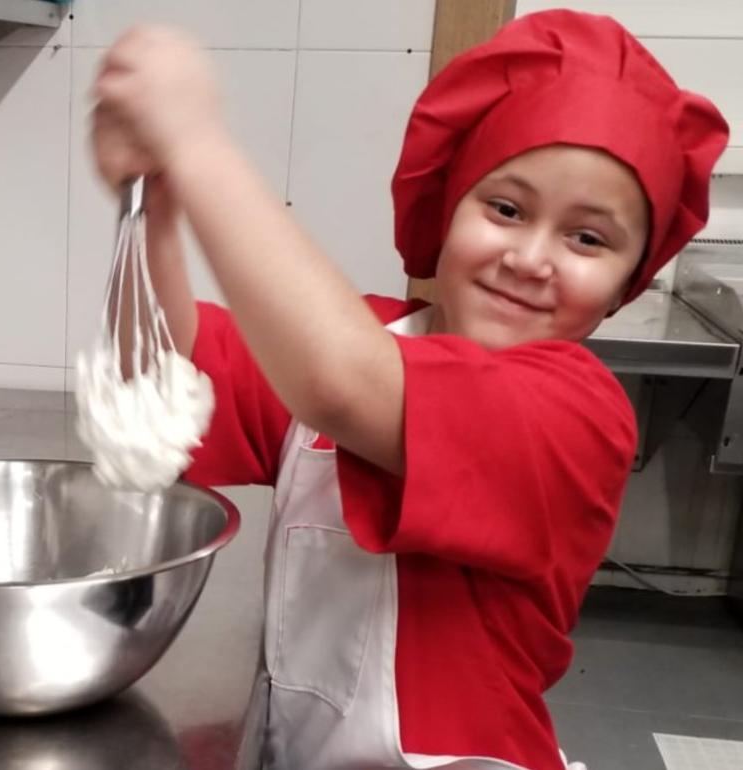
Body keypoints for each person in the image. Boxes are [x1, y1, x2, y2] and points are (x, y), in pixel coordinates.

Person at [89, 9, 728, 770]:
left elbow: (342, 384)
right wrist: (151, 208)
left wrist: (197, 142)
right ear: (449, 208)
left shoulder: (577, 415)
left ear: (627, 281)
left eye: (587, 238)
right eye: (506, 209)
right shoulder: (370, 337)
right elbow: (164, 365)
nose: (530, 258)